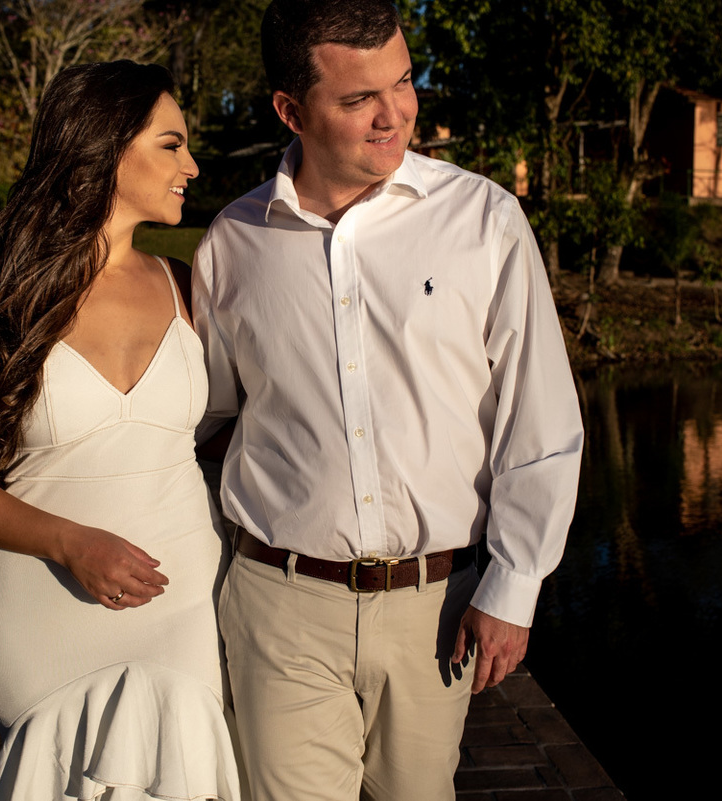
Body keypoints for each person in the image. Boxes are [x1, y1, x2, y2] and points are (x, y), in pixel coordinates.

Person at [191, 2, 584, 800]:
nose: (393, 113)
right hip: (278, 605)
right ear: (291, 111)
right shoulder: (232, 244)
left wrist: (513, 587)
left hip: (434, 609)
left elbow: (538, 422)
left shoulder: (485, 220)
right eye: (357, 98)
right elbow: (207, 418)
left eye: (403, 82)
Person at [0, 61, 241, 801]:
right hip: (42, 607)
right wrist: (70, 542)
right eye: (171, 144)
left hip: (180, 596)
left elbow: (219, 429)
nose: (191, 164)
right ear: (106, 147)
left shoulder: (184, 286)